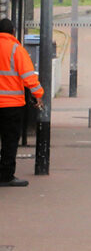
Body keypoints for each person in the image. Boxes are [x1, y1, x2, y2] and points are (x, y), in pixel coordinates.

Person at [0, 18, 44, 187]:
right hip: (11, 105)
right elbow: (28, 77)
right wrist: (38, 94)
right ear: (12, 32)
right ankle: (5, 175)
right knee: (10, 140)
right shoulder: (16, 50)